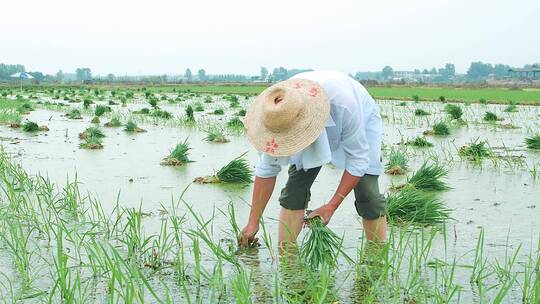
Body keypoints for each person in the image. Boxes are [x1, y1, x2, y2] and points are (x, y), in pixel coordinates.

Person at [239, 71, 386, 247]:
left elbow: (359, 160)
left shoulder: (344, 105)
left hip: (359, 117)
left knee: (367, 192)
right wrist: (253, 222)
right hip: (298, 115)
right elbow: (267, 170)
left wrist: (331, 206)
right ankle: (288, 257)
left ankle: (376, 257)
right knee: (295, 187)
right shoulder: (277, 115)